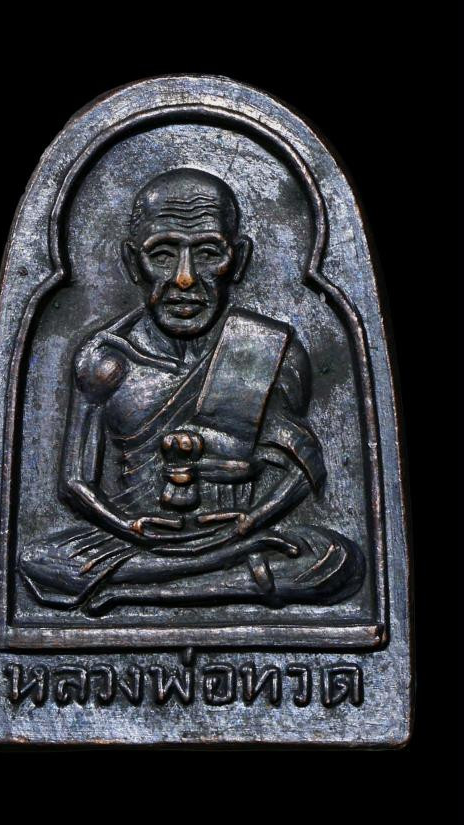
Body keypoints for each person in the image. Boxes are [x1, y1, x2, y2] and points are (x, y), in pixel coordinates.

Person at [19, 168, 364, 614]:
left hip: (234, 531)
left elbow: (301, 461)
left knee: (337, 560)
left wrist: (249, 522)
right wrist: (129, 527)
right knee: (40, 559)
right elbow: (74, 483)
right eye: (163, 255)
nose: (185, 278)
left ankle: (135, 592)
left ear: (238, 260)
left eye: (207, 253)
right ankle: (217, 575)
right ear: (132, 262)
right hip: (137, 538)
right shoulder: (106, 358)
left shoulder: (266, 348)